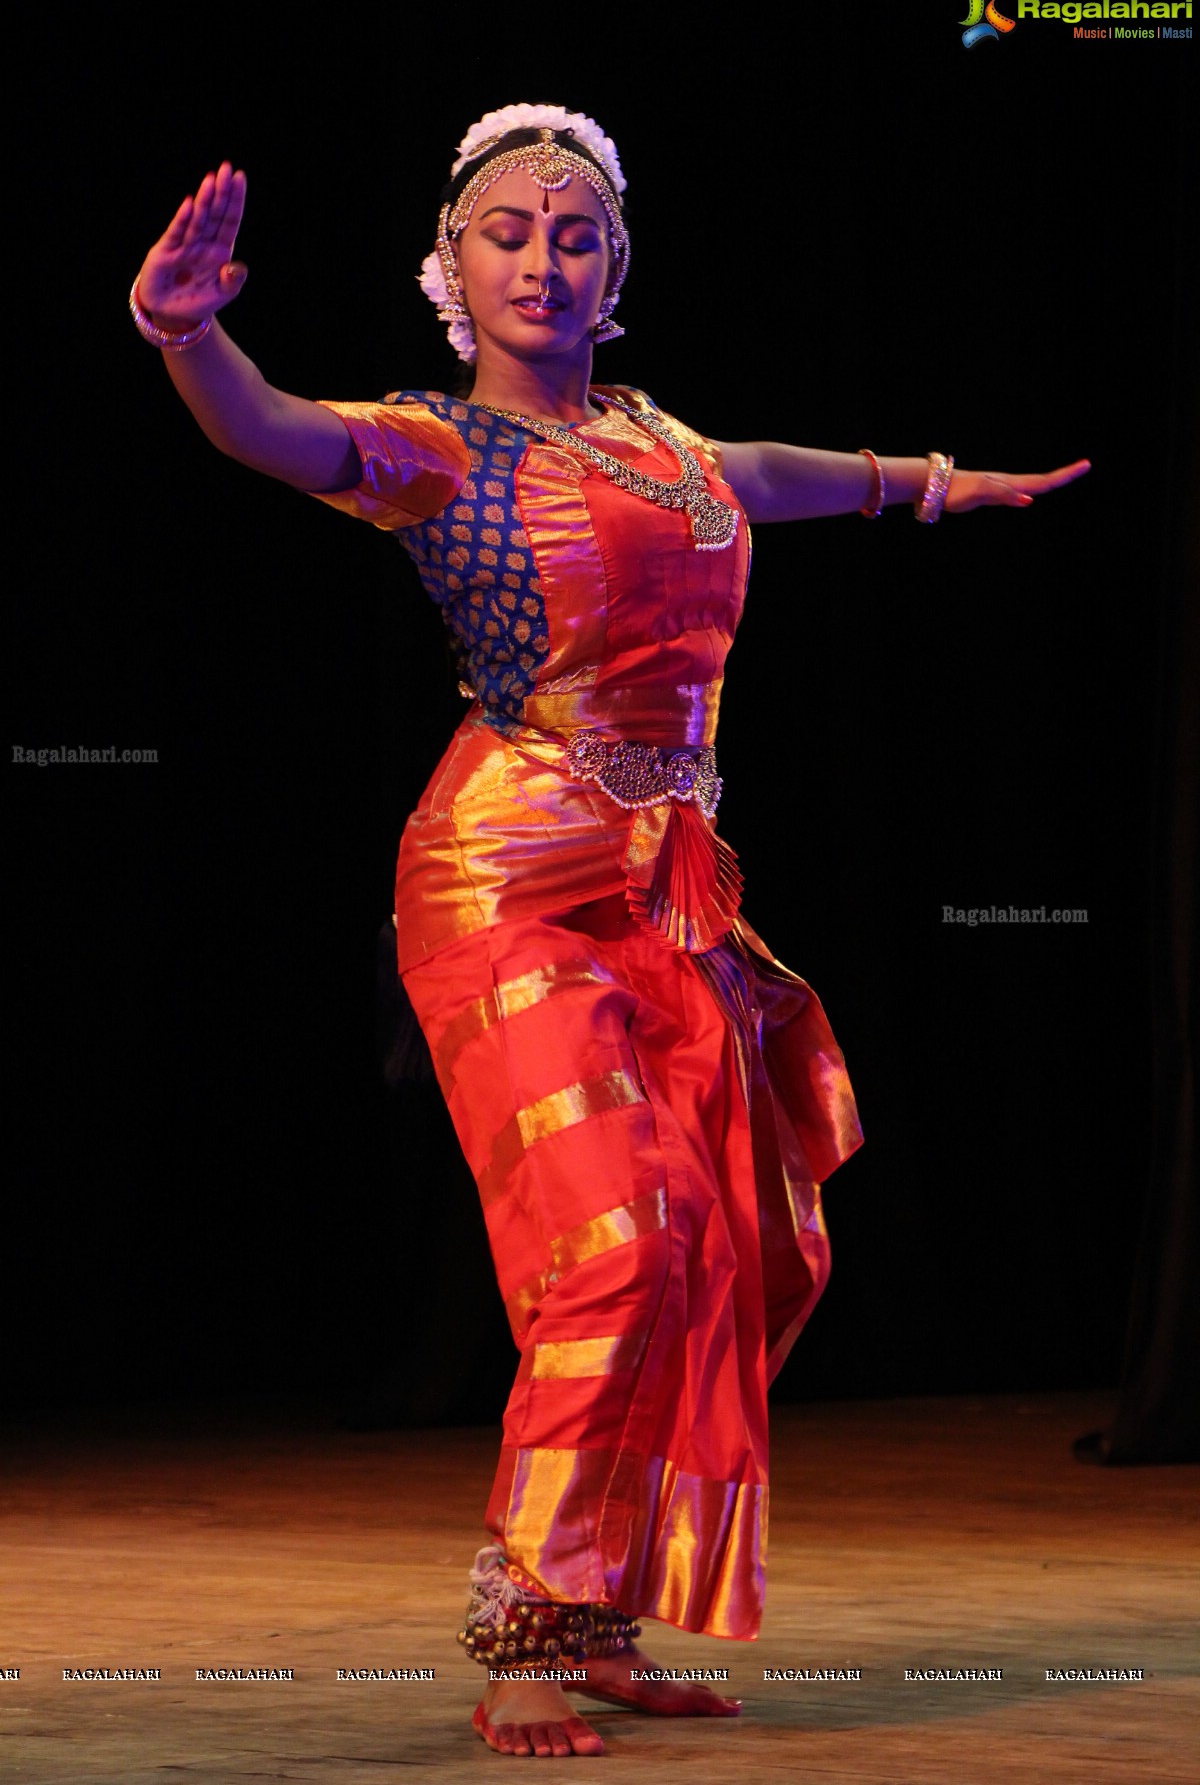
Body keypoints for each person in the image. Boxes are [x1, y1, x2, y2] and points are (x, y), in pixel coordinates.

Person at [130, 103, 1090, 1759]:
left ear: (616, 264)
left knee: (714, 1245)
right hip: (507, 885)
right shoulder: (443, 449)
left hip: (666, 891)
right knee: (619, 1246)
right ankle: (522, 1626)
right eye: (508, 232)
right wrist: (187, 334)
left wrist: (930, 488)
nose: (542, 261)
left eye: (575, 235)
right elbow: (275, 434)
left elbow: (757, 478)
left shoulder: (653, 439)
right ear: (452, 263)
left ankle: (593, 1616)